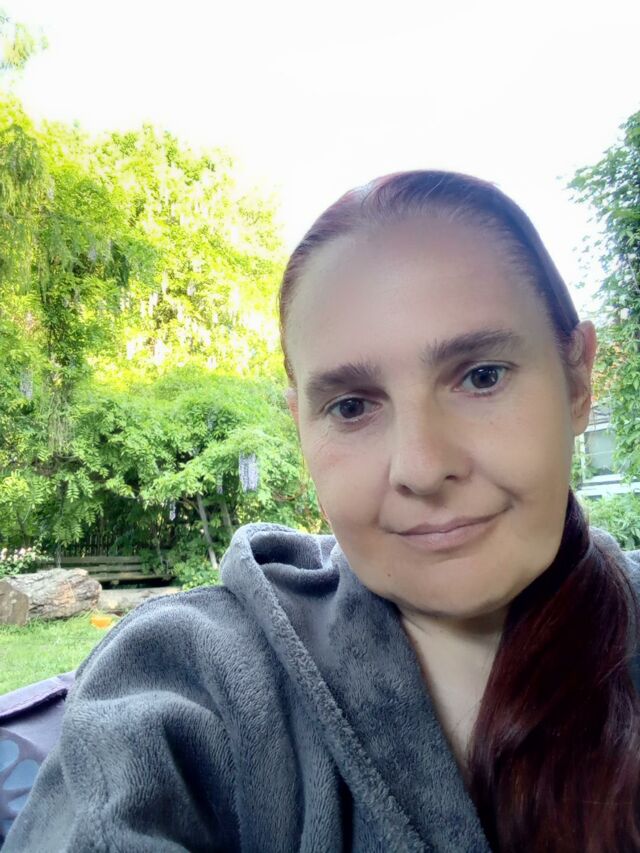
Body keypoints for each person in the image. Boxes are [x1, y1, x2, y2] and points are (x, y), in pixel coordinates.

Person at [4, 170, 640, 853]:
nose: (421, 467)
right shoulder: (185, 673)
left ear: (578, 380)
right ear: (301, 426)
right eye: (352, 406)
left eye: (481, 376)